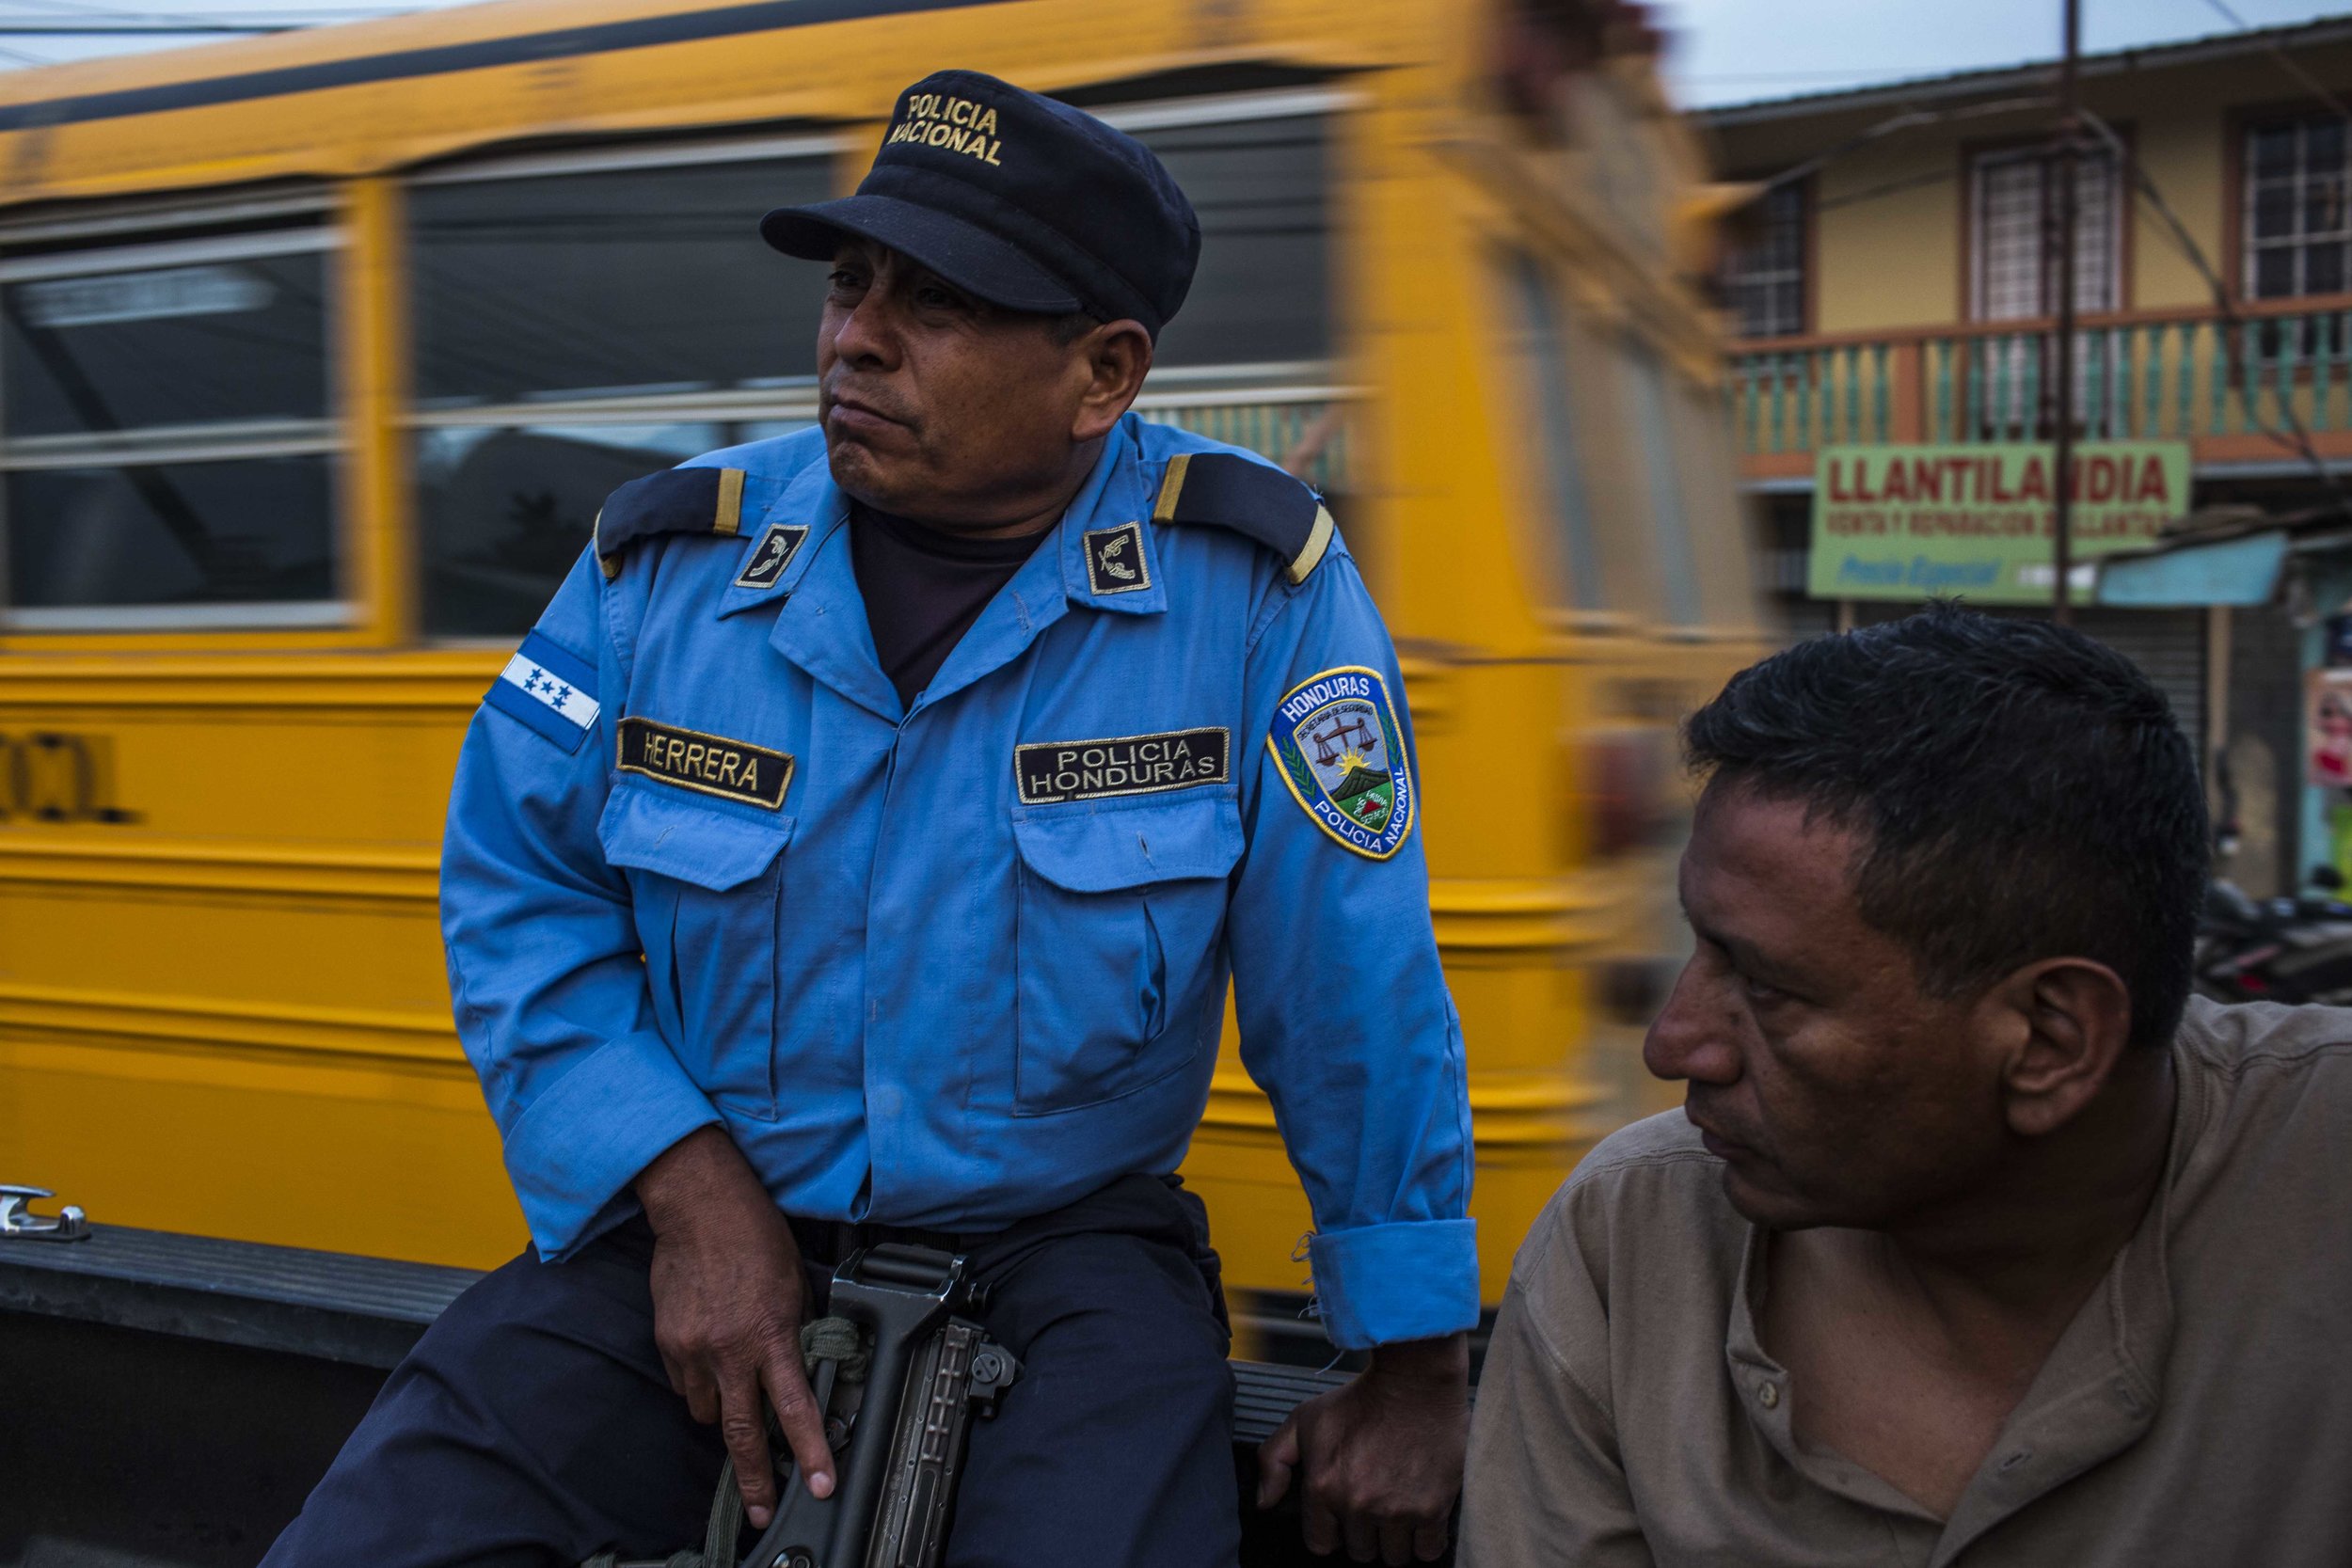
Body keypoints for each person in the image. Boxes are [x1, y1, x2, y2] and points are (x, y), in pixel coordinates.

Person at [262, 69, 1476, 1568]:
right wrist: (689, 1188)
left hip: (1065, 1247)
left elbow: (1349, 982)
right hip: (693, 1216)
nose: (857, 338)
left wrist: (1415, 1357)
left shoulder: (1252, 595)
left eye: (941, 302)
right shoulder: (664, 569)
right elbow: (522, 893)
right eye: (850, 283)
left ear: (1103, 374)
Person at [1461, 605, 2352, 1567]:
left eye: (1766, 987)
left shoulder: (2321, 1179)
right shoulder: (1629, 1241)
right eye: (1700, 948)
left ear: (2048, 1038)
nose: (1674, 1044)